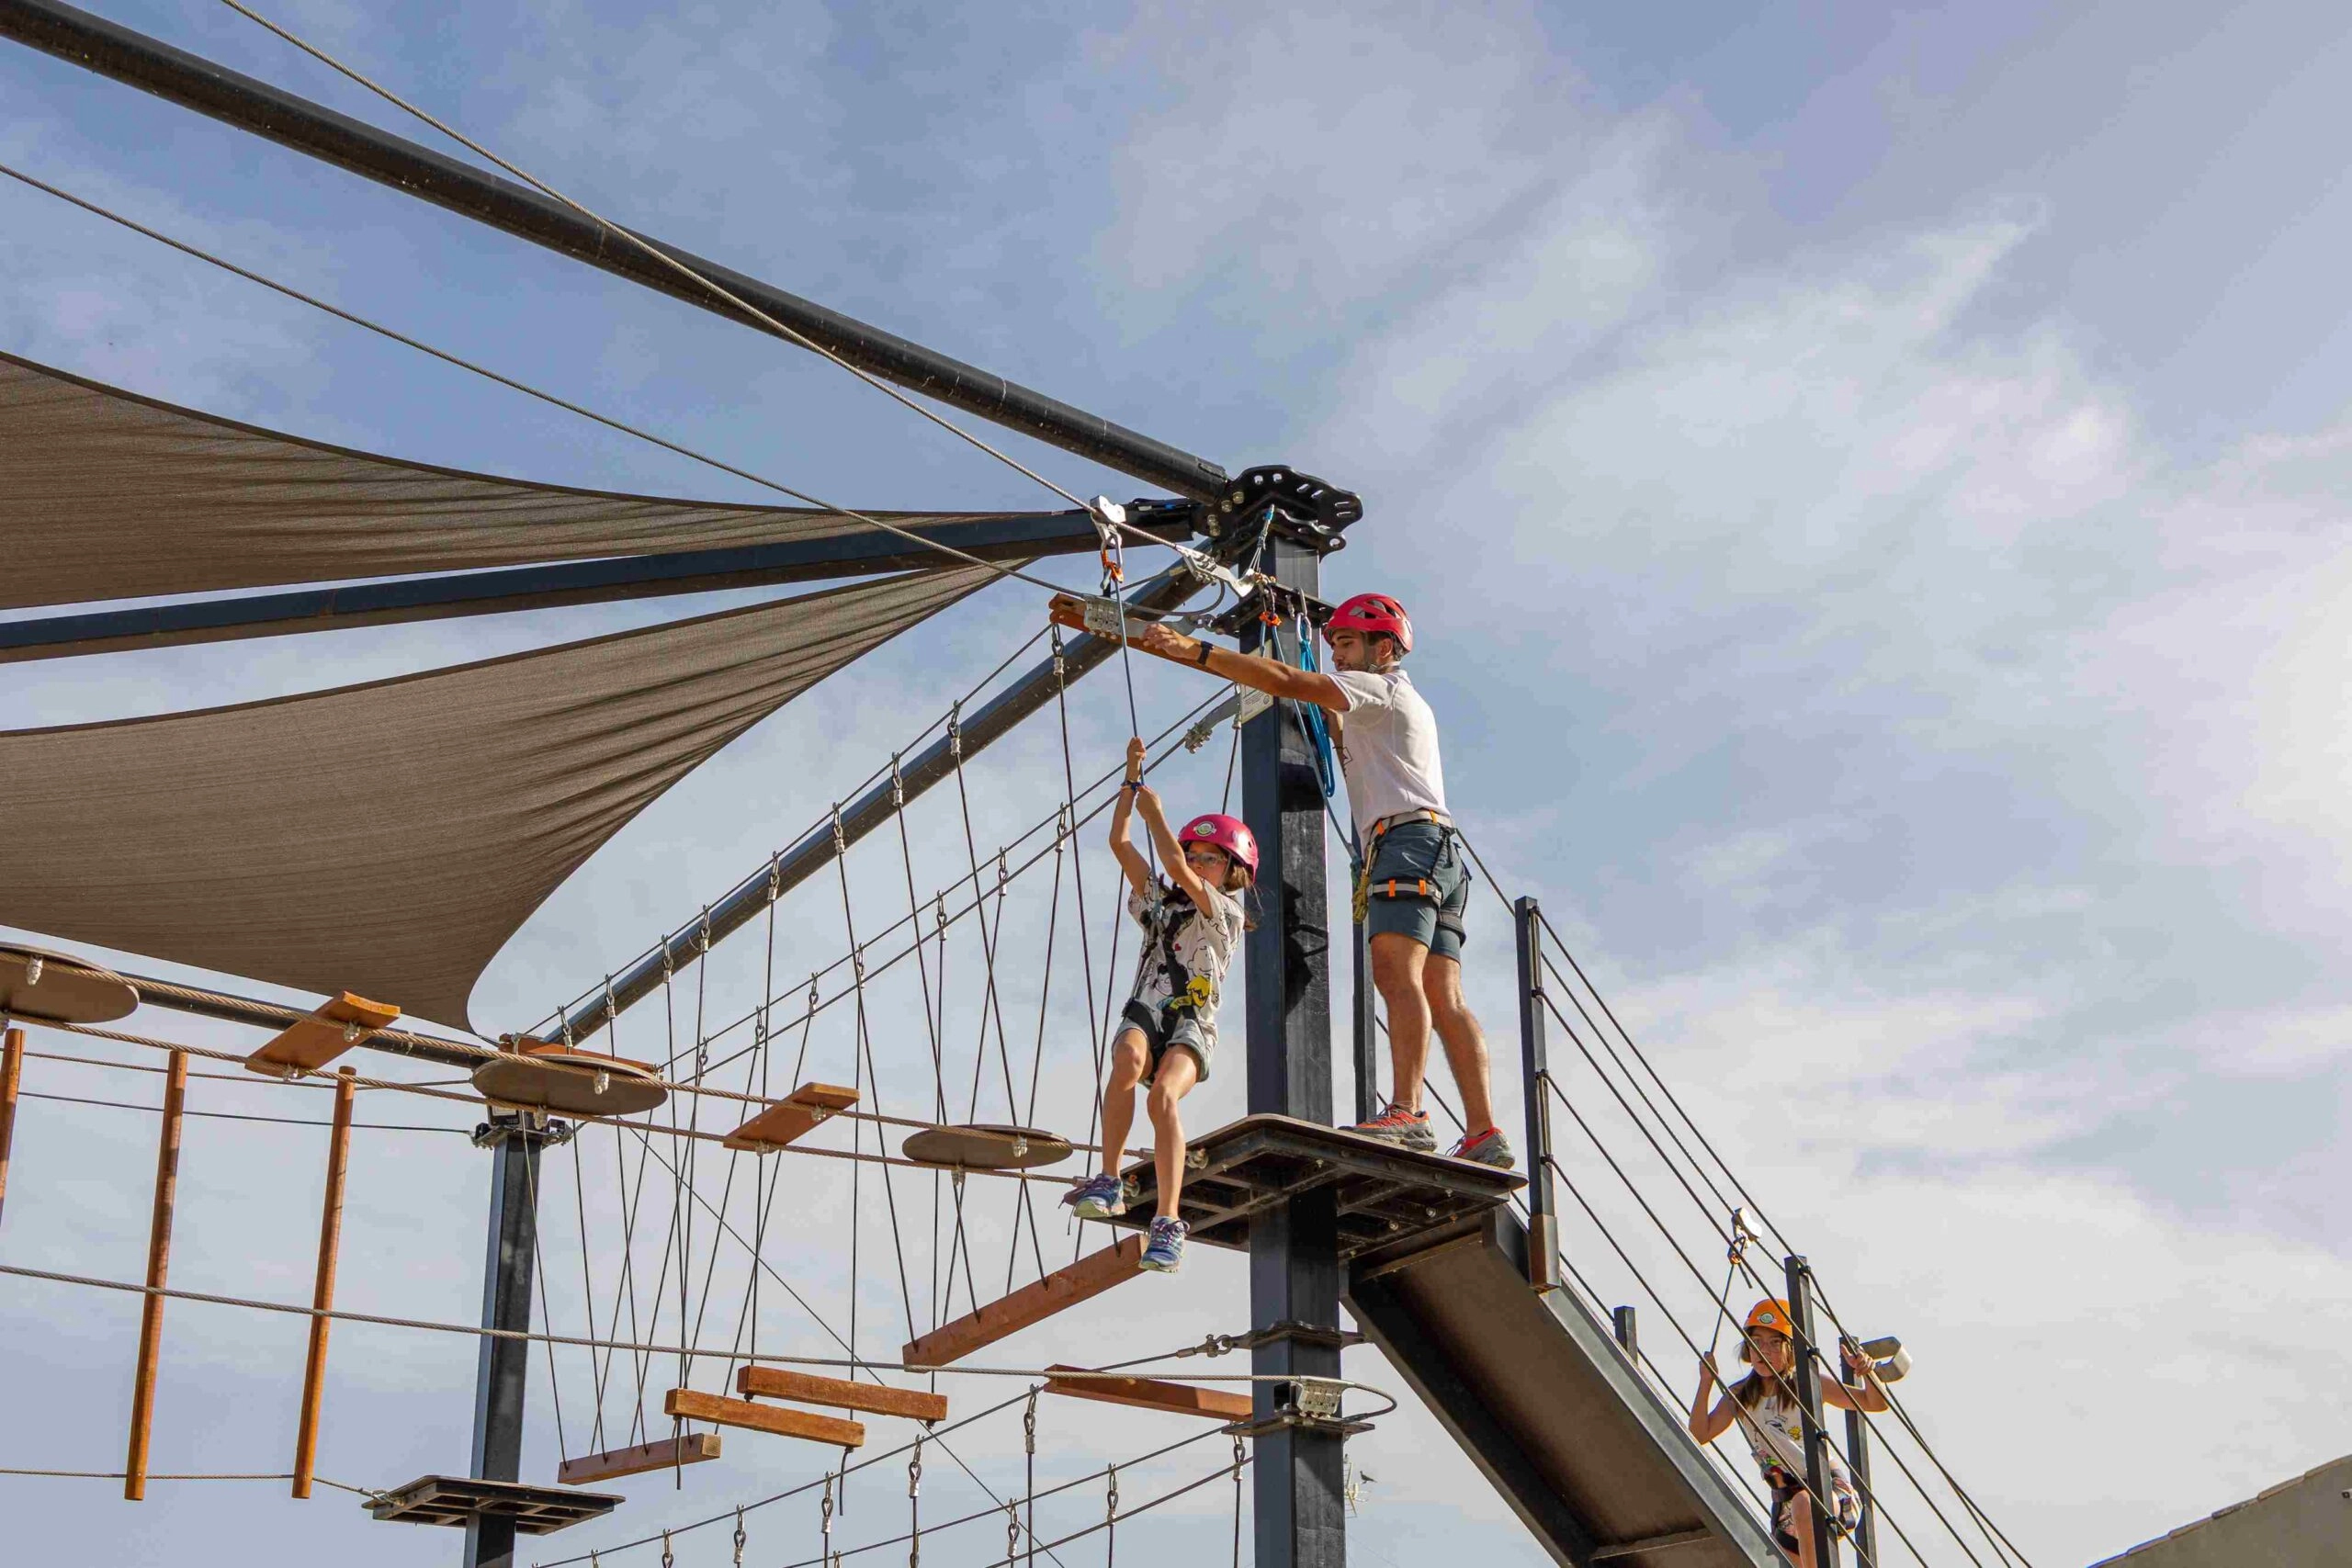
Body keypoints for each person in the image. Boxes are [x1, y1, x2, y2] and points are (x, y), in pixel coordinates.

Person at [1121, 590, 1511, 1168]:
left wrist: (1193, 650)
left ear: (1385, 649)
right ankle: (1482, 1131)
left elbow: (1286, 680)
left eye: (1348, 644)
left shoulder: (1378, 689)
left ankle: (1408, 1112)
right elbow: (1321, 710)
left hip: (1404, 845)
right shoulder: (1393, 704)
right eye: (1334, 646)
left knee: (1395, 974)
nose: (1339, 657)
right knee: (1444, 995)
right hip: (1438, 850)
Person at [1062, 737, 1254, 1274]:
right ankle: (1109, 1178)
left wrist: (1158, 816)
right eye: (1194, 856)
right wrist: (1130, 782)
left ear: (1232, 870)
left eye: (1210, 858)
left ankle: (1168, 1219)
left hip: (1191, 1022)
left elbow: (1170, 859)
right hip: (1148, 1008)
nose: (1196, 863)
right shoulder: (1160, 903)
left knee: (1163, 1097)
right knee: (1125, 1059)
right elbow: (1120, 842)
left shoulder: (1225, 913)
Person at [1687, 1299, 1888, 1565]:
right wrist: (1706, 1383)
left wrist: (1868, 1373)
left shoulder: (1807, 1385)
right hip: (1785, 1504)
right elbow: (1699, 1435)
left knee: (1805, 1504)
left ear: (1789, 1349)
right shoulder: (1740, 1395)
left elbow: (1874, 1403)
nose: (1764, 1351)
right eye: (1756, 1342)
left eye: (1774, 1343)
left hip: (1828, 1490)